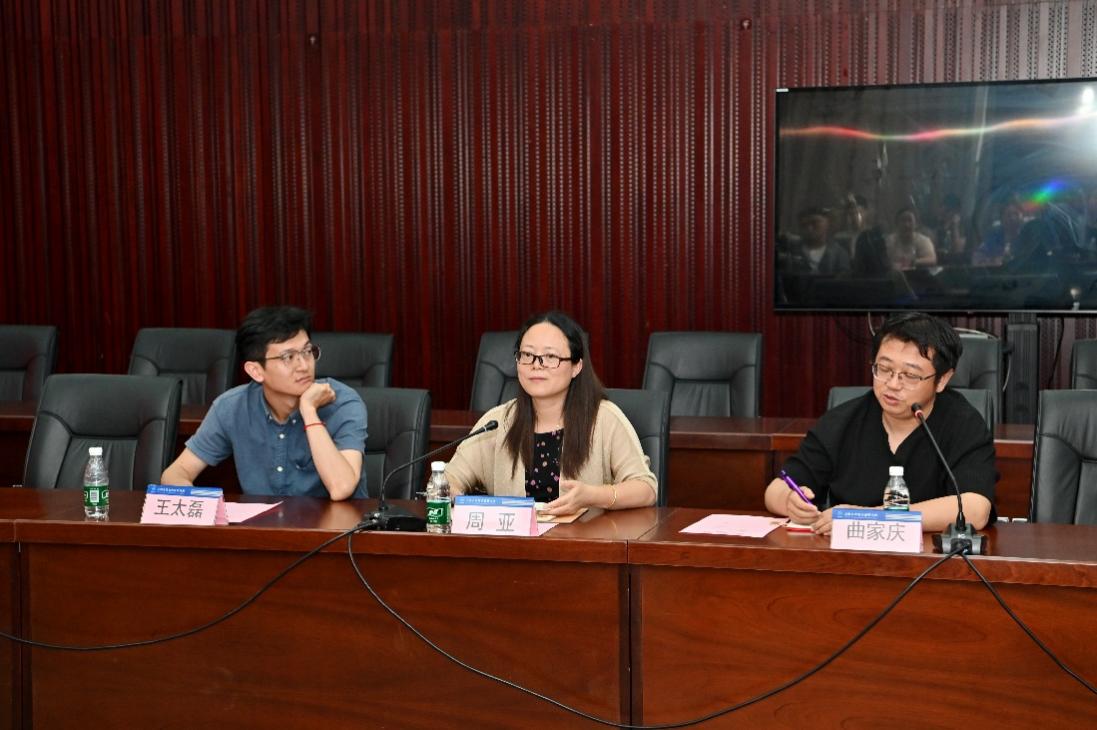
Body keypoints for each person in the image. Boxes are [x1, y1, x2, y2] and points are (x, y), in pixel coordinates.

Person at [763, 312, 996, 535]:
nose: (893, 384)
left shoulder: (963, 423)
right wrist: (789, 501)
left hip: (932, 557)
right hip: (849, 557)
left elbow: (975, 509)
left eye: (910, 375)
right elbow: (776, 489)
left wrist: (869, 518)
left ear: (942, 379)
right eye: (884, 369)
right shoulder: (842, 421)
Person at [445, 311, 657, 514]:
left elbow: (646, 489)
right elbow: (448, 478)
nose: (537, 365)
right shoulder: (498, 422)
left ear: (576, 366)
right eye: (528, 355)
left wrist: (593, 496)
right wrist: (450, 492)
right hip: (516, 539)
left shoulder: (604, 419)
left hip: (584, 537)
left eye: (550, 356)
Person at [161, 306, 367, 500]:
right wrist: (205, 507)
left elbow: (341, 488)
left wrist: (309, 411)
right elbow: (175, 474)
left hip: (339, 526)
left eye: (307, 352)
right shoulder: (232, 407)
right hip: (264, 526)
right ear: (256, 371)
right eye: (288, 357)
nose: (304, 366)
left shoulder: (342, 401)